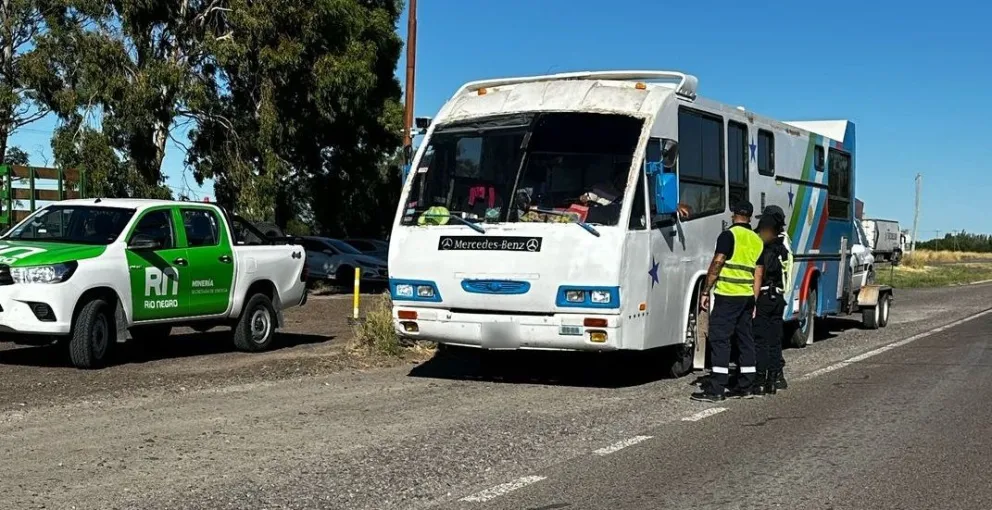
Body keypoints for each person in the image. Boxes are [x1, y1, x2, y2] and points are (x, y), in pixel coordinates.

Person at [691, 200, 764, 402]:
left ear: (733, 215)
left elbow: (718, 262)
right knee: (745, 339)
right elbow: (758, 273)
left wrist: (706, 290)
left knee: (720, 339)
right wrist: (754, 300)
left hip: (728, 296)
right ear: (750, 217)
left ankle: (716, 388)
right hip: (747, 297)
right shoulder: (756, 240)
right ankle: (746, 385)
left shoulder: (728, 235)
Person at [752, 205, 791, 395]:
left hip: (764, 296)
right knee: (775, 339)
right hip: (779, 297)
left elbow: (760, 272)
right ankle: (775, 378)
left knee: (761, 340)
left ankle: (760, 380)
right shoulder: (783, 246)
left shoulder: (763, 246)